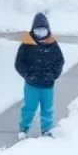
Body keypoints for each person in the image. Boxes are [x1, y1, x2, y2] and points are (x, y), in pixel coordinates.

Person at [14, 11, 65, 139]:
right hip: (32, 84)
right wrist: (27, 74)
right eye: (37, 31)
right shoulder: (27, 44)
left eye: (43, 30)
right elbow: (19, 62)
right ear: (33, 30)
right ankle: (24, 129)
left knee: (47, 108)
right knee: (29, 108)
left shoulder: (52, 44)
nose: (40, 33)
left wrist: (53, 74)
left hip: (47, 85)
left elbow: (59, 60)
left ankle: (47, 129)